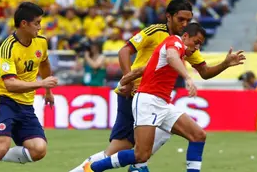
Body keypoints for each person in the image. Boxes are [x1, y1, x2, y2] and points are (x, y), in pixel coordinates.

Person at [70, 0, 246, 172]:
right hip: (133, 95)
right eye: (180, 19)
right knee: (121, 150)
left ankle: (137, 167)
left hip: (158, 99)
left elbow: (205, 72)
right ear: (168, 17)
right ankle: (89, 169)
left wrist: (224, 64)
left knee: (179, 136)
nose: (185, 24)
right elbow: (125, 51)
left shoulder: (187, 44)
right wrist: (128, 80)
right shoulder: (156, 32)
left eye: (188, 20)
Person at [84, 19, 210, 172]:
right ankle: (94, 168)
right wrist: (188, 78)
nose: (197, 47)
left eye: (200, 45)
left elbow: (143, 69)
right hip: (148, 101)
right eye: (195, 42)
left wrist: (125, 80)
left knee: (198, 135)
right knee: (141, 155)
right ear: (184, 37)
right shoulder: (174, 42)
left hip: (163, 103)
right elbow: (171, 57)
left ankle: (136, 168)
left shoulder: (174, 50)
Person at [0, 2, 58, 172]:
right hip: (5, 102)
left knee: (39, 150)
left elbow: (44, 64)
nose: (40, 28)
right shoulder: (8, 46)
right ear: (24, 24)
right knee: (2, 146)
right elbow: (10, 84)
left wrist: (48, 91)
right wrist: (41, 84)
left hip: (26, 106)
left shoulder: (41, 42)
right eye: (37, 23)